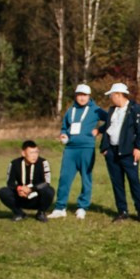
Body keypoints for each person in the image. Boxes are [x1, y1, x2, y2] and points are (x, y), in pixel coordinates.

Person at [99, 81, 140, 222]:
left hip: (128, 152)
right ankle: (122, 211)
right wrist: (105, 147)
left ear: (119, 95)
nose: (110, 98)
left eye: (112, 95)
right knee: (117, 183)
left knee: (134, 181)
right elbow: (109, 127)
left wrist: (138, 147)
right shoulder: (112, 110)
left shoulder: (135, 109)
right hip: (112, 152)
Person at [54, 83, 100, 218]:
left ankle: (82, 207)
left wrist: (100, 130)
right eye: (79, 95)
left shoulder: (96, 110)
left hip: (87, 149)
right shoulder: (70, 110)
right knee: (64, 178)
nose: (82, 98)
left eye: (84, 95)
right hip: (70, 149)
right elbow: (64, 127)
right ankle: (60, 207)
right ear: (76, 96)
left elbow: (110, 120)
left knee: (86, 178)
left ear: (89, 96)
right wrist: (63, 134)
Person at [0, 141, 54, 220]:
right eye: (31, 153)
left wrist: (31, 189)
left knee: (49, 191)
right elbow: (10, 183)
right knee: (3, 191)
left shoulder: (43, 163)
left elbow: (46, 183)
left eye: (36, 152)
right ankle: (19, 213)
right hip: (21, 196)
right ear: (23, 153)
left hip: (36, 196)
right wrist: (19, 188)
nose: (34, 155)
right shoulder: (14, 164)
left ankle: (41, 213)